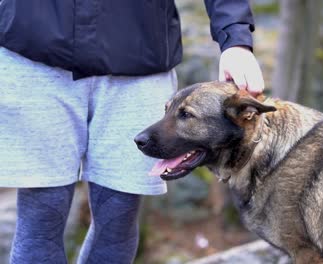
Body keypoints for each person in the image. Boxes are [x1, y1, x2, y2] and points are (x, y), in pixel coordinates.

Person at [0, 1, 264, 263]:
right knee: (41, 221)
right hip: (35, 52)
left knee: (117, 219)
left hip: (139, 54)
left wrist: (235, 38)